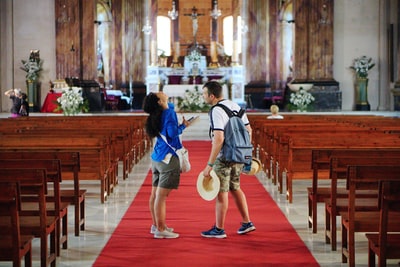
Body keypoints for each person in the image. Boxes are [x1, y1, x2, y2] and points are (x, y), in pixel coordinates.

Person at [200, 81, 256, 238]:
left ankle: (219, 229)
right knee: (235, 187)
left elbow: (218, 138)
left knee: (221, 192)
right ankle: (247, 222)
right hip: (238, 154)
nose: (203, 96)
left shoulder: (216, 110)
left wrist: (210, 164)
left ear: (212, 96)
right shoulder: (236, 106)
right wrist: (244, 152)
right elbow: (249, 131)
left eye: (204, 94)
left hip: (224, 157)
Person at [143, 91, 192, 239]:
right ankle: (161, 229)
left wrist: (166, 104)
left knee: (154, 195)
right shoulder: (168, 114)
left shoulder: (158, 114)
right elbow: (172, 133)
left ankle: (156, 224)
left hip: (157, 158)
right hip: (169, 159)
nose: (162, 92)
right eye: (159, 94)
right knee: (161, 197)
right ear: (159, 101)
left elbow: (169, 106)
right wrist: (183, 126)